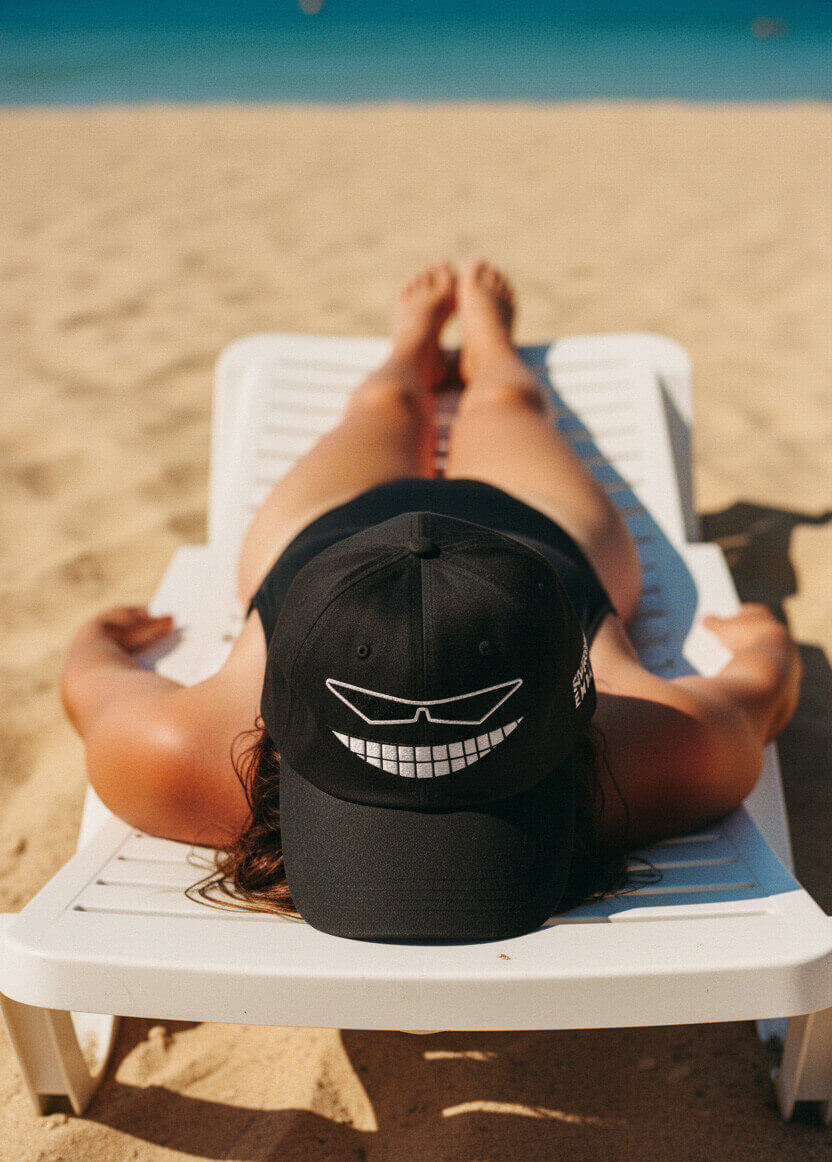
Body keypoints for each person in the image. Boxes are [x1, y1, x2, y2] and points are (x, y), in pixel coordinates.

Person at [60, 260, 802, 941]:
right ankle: (425, 344)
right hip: (527, 538)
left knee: (434, 403)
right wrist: (763, 634)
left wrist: (96, 640)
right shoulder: (652, 754)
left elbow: (89, 686)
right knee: (469, 403)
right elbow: (762, 690)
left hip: (341, 538)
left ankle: (475, 339)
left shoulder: (176, 760)